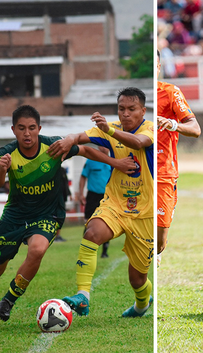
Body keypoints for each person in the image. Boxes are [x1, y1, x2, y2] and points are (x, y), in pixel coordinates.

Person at [0, 105, 136, 321]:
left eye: (32, 128)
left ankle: (7, 301)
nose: (27, 133)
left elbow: (85, 150)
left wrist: (115, 162)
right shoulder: (6, 153)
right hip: (15, 215)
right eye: (22, 128)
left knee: (37, 249)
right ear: (14, 130)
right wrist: (2, 169)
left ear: (39, 128)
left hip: (48, 214)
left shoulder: (53, 146)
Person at [50, 87, 155, 316]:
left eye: (131, 109)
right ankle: (83, 296)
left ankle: (142, 305)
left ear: (143, 111)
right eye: (121, 109)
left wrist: (108, 130)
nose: (125, 113)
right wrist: (69, 139)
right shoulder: (112, 129)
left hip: (145, 213)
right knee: (92, 233)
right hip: (115, 204)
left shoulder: (150, 129)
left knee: (137, 279)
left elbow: (138, 143)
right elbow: (81, 140)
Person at [157, 50, 201, 267]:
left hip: (163, 173)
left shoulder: (170, 92)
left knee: (159, 241)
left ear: (158, 67)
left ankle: (155, 254)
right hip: (136, 171)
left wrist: (174, 124)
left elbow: (195, 128)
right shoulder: (131, 97)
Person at [77, 146, 113, 258]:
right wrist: (81, 193)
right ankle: (85, 250)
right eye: (102, 144)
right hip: (93, 195)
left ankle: (104, 252)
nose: (104, 148)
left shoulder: (115, 160)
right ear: (99, 146)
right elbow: (83, 177)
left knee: (107, 223)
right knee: (88, 222)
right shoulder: (91, 160)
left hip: (107, 196)